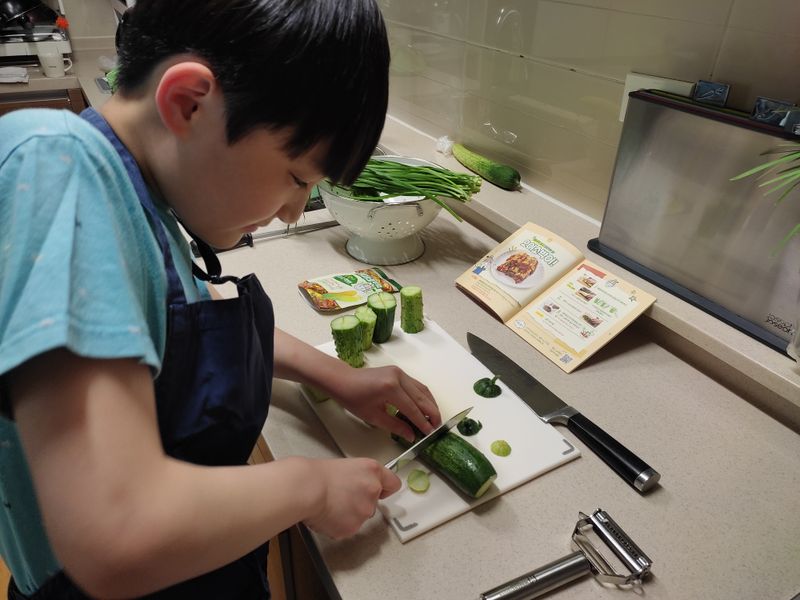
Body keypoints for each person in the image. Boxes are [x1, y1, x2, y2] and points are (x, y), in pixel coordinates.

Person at [0, 1, 441, 598]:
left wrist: (339, 377)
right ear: (189, 103)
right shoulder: (57, 167)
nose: (293, 212)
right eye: (297, 178)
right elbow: (115, 533)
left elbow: (177, 318)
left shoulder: (137, 191)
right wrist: (309, 489)